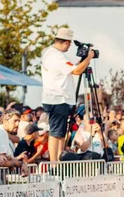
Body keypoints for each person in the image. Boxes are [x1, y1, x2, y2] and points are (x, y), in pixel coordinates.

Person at [41, 27, 96, 162]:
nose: (70, 46)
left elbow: (72, 69)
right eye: (70, 43)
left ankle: (59, 160)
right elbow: (76, 72)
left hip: (57, 98)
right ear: (66, 42)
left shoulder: (50, 53)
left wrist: (82, 61)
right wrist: (88, 58)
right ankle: (55, 164)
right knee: (56, 134)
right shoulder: (57, 56)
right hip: (58, 99)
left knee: (60, 134)